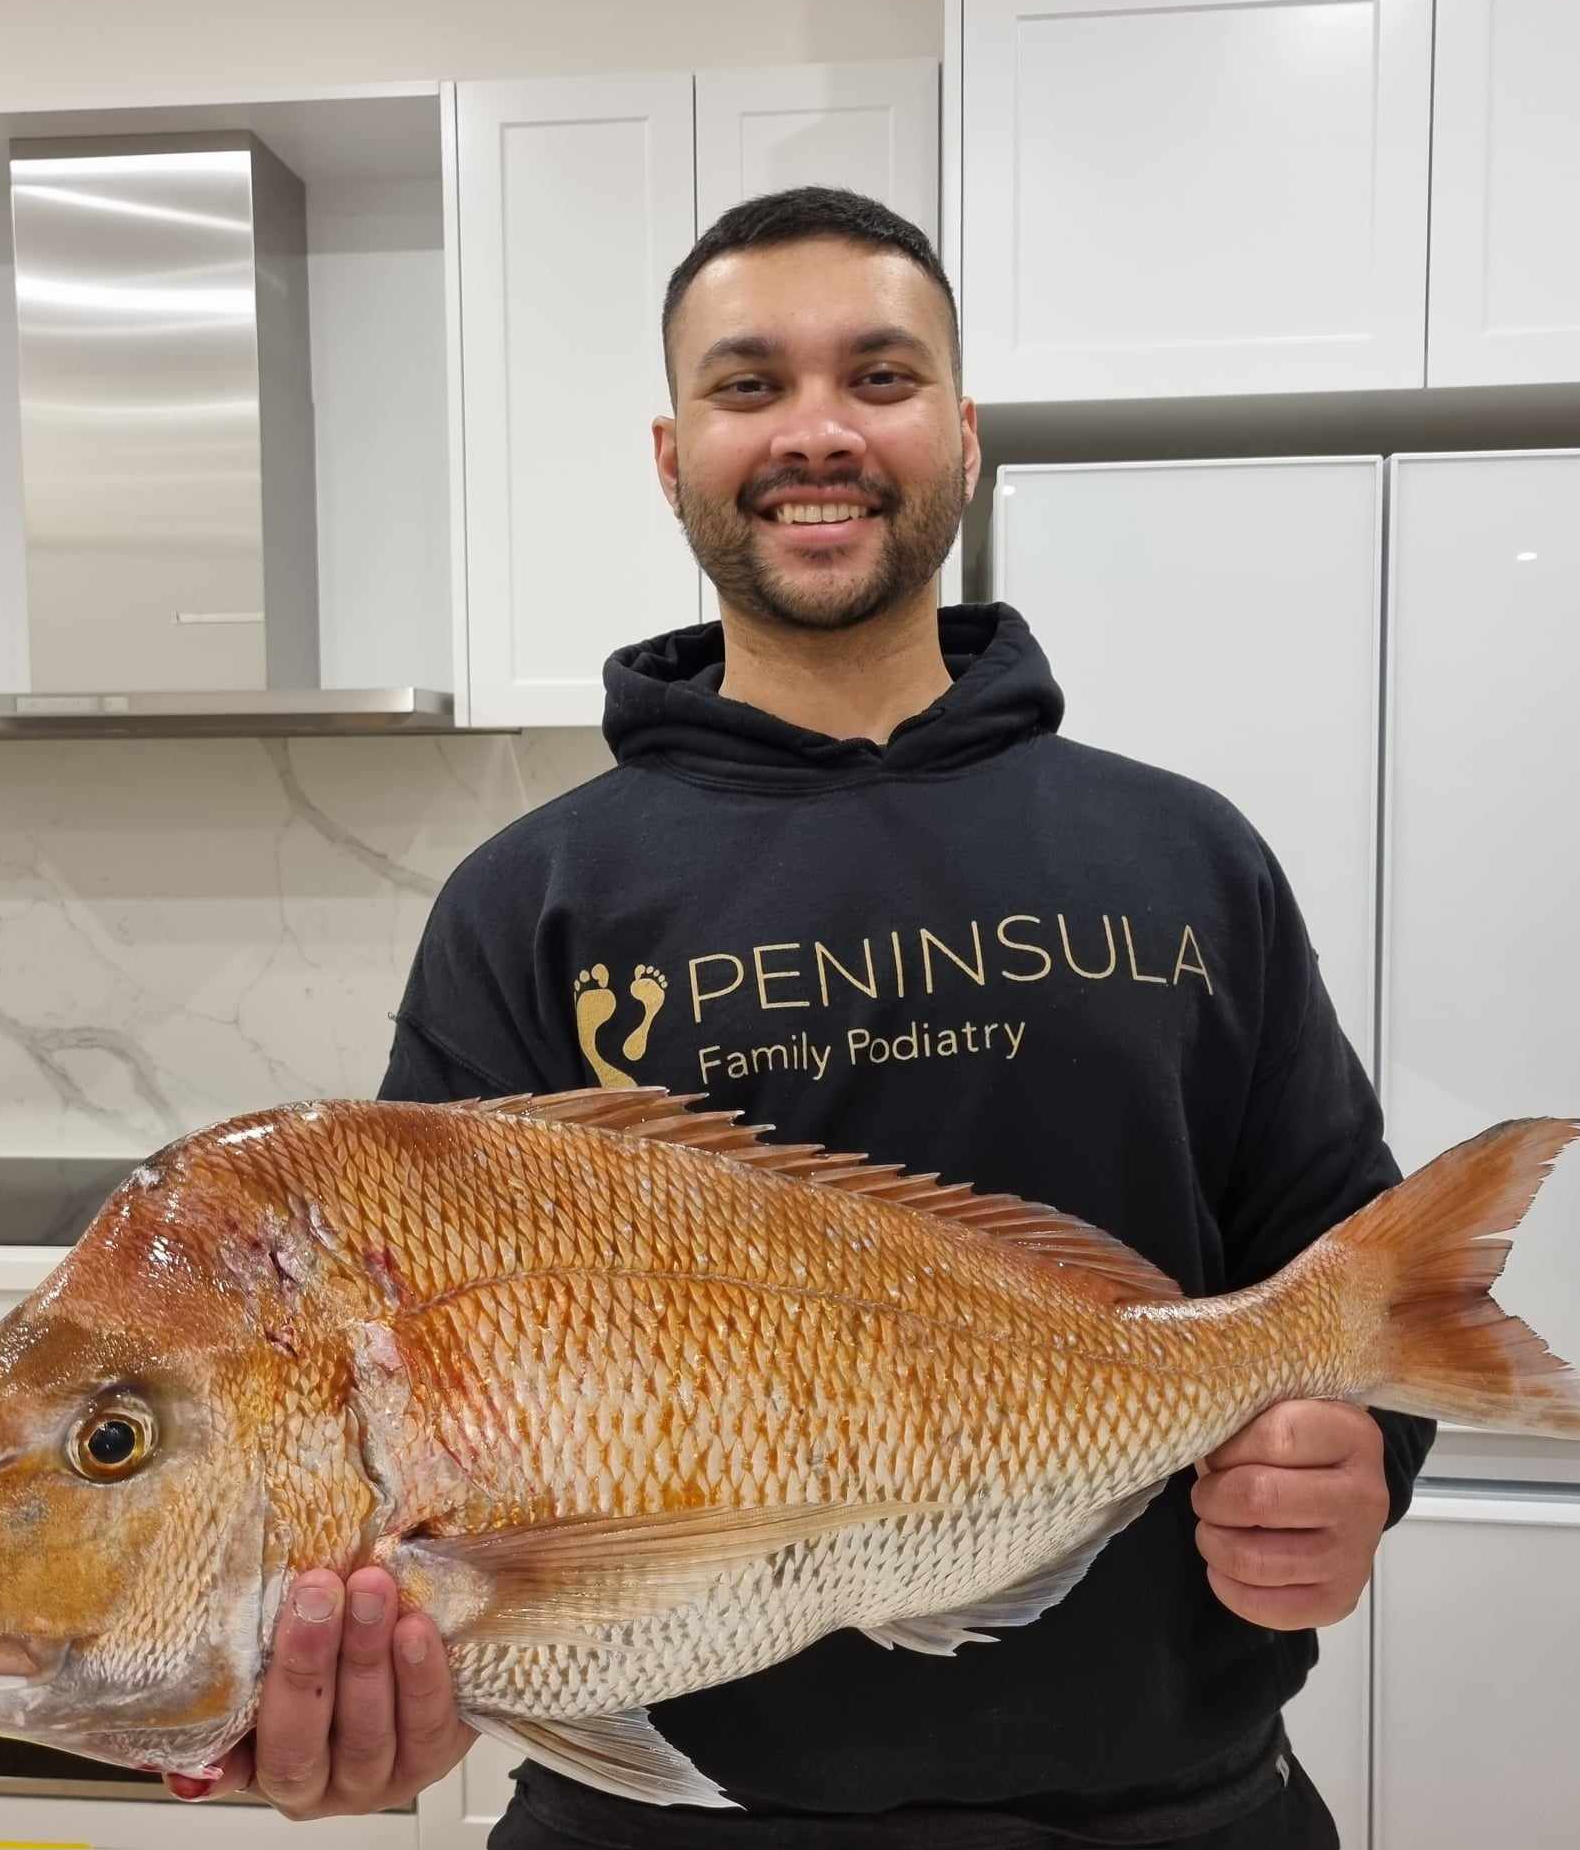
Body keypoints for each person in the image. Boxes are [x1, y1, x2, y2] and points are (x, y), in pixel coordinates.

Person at [166, 187, 1433, 1846]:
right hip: (660, 1822)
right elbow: (412, 1407)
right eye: (748, 385)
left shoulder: (1183, 850)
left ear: (963, 436)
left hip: (1167, 1811)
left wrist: (1357, 1473)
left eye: (881, 378)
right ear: (671, 446)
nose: (814, 431)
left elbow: (1359, 1281)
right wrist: (385, 1684)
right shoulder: (527, 901)